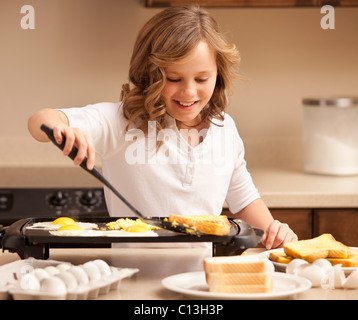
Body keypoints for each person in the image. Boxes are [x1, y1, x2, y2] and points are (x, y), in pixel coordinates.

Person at [28, 6, 297, 249]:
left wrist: (276, 233)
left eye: (202, 78)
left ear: (219, 73)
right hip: (133, 285)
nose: (189, 91)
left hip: (199, 285)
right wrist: (60, 128)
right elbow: (39, 121)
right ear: (150, 74)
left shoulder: (224, 128)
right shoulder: (122, 121)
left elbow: (246, 201)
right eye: (174, 78)